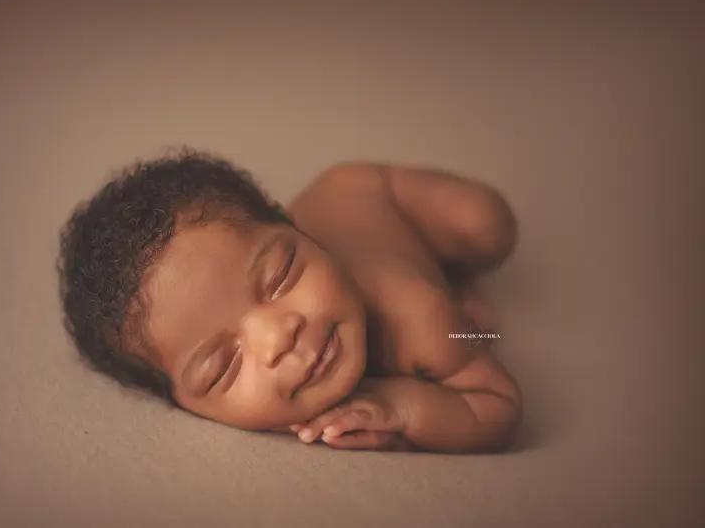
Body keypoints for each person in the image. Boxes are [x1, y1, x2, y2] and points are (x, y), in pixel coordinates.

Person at [57, 148, 522, 453]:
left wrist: (403, 406)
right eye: (223, 367)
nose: (279, 336)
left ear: (298, 231)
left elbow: (499, 403)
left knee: (485, 224)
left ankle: (455, 274)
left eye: (281, 277)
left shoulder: (416, 312)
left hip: (369, 194)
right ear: (183, 405)